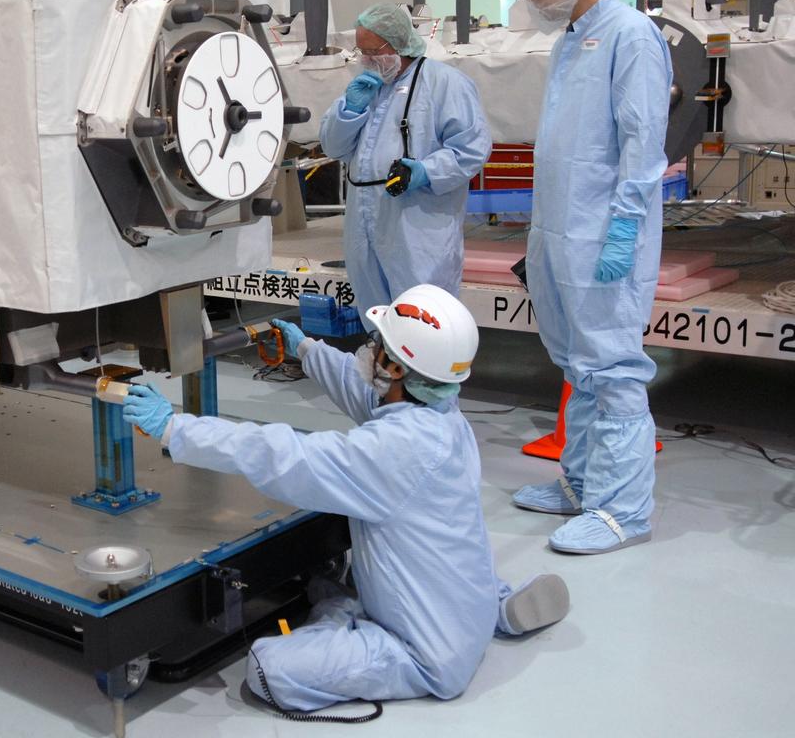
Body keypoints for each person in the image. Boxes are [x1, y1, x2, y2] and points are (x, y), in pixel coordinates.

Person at [122, 285, 570, 710]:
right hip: (463, 602)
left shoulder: (393, 452)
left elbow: (285, 455)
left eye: (378, 343)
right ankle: (498, 610)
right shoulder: (443, 418)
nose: (369, 348)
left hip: (425, 655)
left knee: (267, 668)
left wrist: (177, 428)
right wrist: (307, 350)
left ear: (396, 368)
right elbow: (367, 397)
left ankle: (342, 613)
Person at [514, 0, 671, 555]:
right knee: (578, 365)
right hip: (561, 229)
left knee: (611, 367)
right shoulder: (570, 41)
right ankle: (581, 484)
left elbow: (642, 141)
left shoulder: (631, 33)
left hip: (605, 230)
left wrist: (626, 225)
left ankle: (624, 509)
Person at [319, 3, 491, 319]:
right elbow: (333, 147)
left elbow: (471, 149)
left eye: (374, 51)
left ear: (398, 44)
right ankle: (383, 368)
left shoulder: (445, 83)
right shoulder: (367, 86)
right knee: (377, 318)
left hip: (417, 228)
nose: (368, 60)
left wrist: (426, 171)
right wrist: (350, 111)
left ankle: (421, 369)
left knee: (422, 322)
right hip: (364, 224)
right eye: (362, 52)